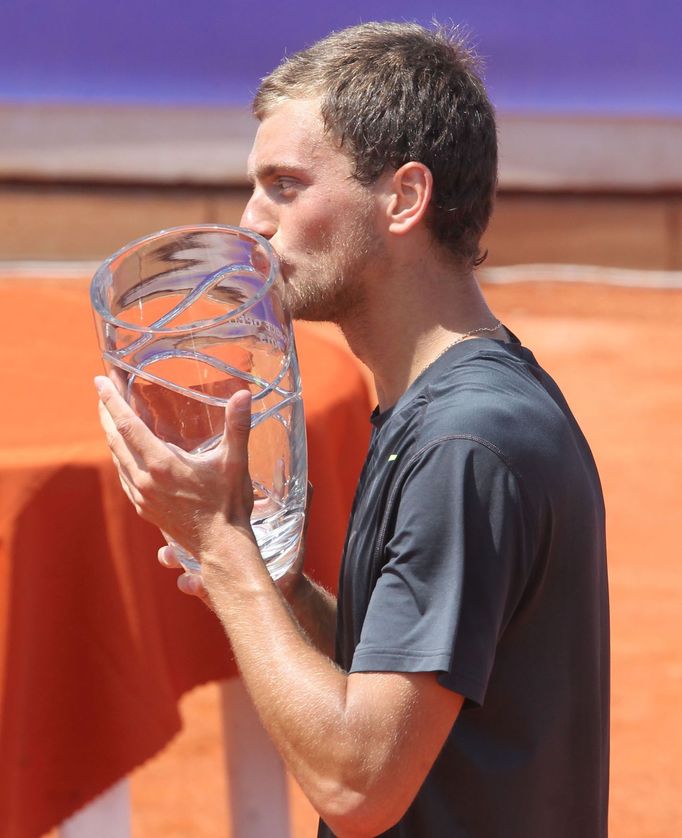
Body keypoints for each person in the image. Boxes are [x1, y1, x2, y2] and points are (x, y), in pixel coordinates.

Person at [96, 21, 609, 838]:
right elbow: (404, 682)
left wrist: (226, 552)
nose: (251, 222)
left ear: (403, 198)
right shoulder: (445, 408)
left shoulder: (463, 447)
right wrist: (282, 591)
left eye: (286, 186)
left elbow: (357, 782)